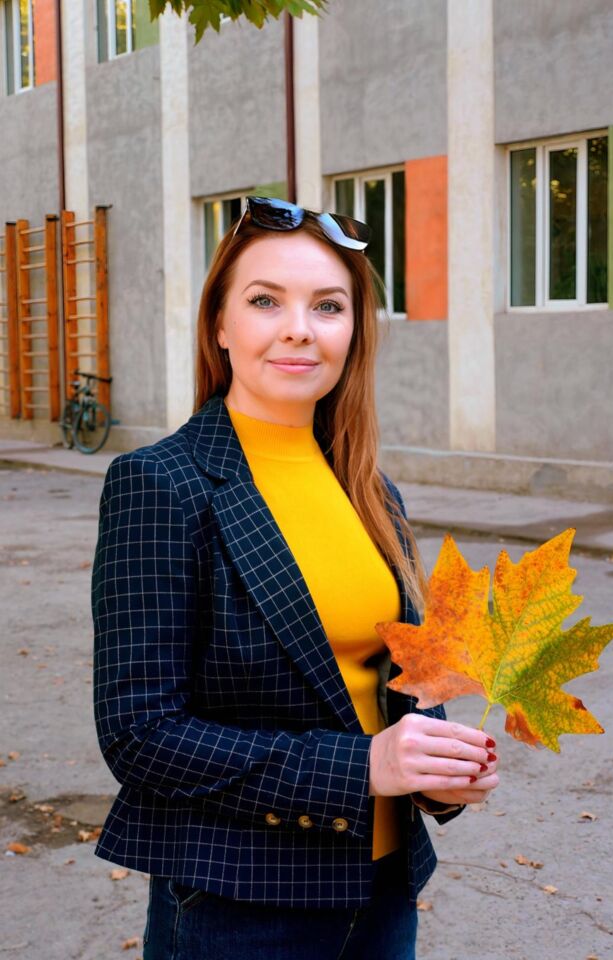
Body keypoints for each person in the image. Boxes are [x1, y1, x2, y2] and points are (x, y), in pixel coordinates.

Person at [91, 196, 500, 960]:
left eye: (328, 305)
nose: (299, 329)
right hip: (240, 906)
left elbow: (399, 677)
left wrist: (437, 770)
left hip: (382, 892)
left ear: (353, 332)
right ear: (220, 324)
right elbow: (140, 734)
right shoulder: (161, 483)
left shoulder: (370, 489)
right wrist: (366, 766)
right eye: (265, 300)